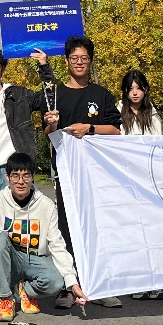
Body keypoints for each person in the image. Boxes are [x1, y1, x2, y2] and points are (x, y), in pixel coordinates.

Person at [40, 35, 123, 309]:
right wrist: (52, 124)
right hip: (66, 174)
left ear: (90, 61)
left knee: (98, 228)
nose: (79, 62)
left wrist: (90, 128)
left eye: (84, 58)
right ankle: (68, 287)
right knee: (66, 229)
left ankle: (99, 285)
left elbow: (115, 130)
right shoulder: (55, 94)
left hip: (97, 174)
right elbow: (48, 133)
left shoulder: (101, 95)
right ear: (66, 62)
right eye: (74, 58)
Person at [0, 152, 88, 322]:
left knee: (56, 282)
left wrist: (72, 282)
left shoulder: (46, 205)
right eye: (15, 176)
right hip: (8, 261)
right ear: (7, 177)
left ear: (33, 177)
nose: (21, 181)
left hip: (35, 260)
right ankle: (5, 298)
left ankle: (23, 289)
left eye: (26, 175)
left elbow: (57, 244)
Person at [0, 47, 53, 304]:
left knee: (17, 227)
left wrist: (44, 67)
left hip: (14, 170)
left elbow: (49, 98)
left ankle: (15, 279)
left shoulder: (19, 94)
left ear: (2, 67)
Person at [117, 69, 163, 301]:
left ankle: (156, 281)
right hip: (126, 182)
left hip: (149, 182)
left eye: (139, 88)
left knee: (153, 232)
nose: (135, 93)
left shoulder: (153, 116)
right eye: (130, 89)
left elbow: (158, 148)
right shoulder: (118, 114)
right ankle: (137, 281)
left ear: (145, 90)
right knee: (133, 233)